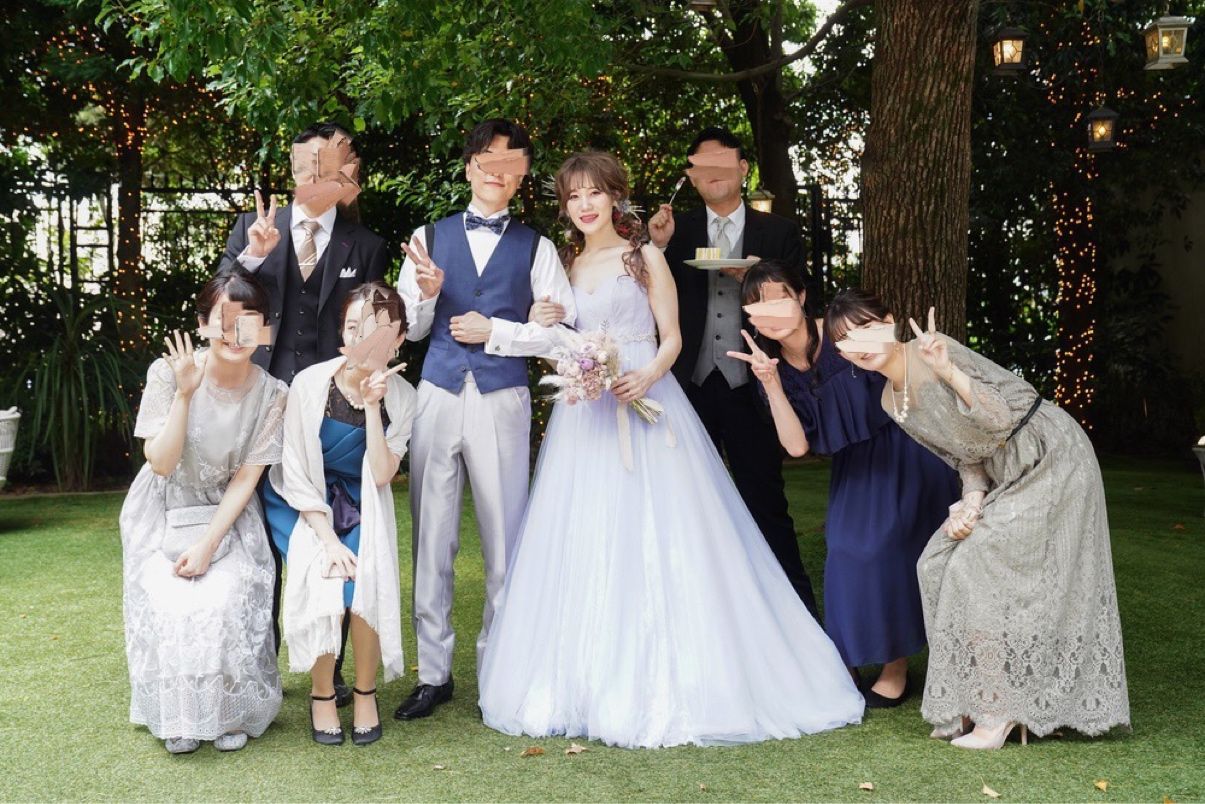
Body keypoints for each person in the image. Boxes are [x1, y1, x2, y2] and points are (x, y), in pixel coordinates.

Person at [477, 151, 863, 748]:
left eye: (594, 192)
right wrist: (555, 335)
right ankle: (584, 679)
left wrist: (648, 375)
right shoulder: (566, 264)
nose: (584, 205)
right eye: (574, 196)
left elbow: (673, 337)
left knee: (667, 531)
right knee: (587, 531)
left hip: (648, 399)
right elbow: (559, 340)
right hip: (587, 414)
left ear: (615, 196)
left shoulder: (644, 256)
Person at [824, 288, 1130, 749]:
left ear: (889, 321)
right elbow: (962, 456)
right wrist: (971, 501)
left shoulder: (933, 350)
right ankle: (972, 697)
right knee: (936, 563)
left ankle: (998, 710)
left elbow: (1000, 418)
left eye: (866, 328)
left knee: (975, 565)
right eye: (845, 340)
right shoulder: (889, 400)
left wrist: (948, 370)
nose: (859, 345)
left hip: (1049, 456)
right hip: (1002, 472)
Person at [393, 118, 576, 721]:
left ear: (521, 176)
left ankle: (500, 669)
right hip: (438, 392)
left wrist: (498, 331)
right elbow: (409, 331)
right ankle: (434, 674)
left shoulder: (537, 248)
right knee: (431, 535)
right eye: (488, 160)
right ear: (470, 165)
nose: (498, 172)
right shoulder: (427, 237)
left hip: (503, 398)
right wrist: (425, 294)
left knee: (505, 539)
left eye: (511, 163)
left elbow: (562, 336)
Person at [730, 263, 959, 706]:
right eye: (757, 305)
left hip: (906, 444)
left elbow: (901, 367)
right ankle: (848, 656)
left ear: (800, 297)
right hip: (856, 464)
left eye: (779, 298)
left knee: (886, 546)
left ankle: (895, 665)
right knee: (843, 551)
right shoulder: (769, 367)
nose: (770, 312)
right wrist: (771, 384)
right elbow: (796, 446)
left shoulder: (840, 331)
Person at [218, 121, 388, 704]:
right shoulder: (253, 226)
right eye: (307, 168)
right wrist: (252, 257)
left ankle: (329, 665)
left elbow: (369, 328)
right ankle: (259, 663)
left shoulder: (365, 245)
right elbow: (223, 304)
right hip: (260, 398)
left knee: (331, 527)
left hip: (330, 409)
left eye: (331, 169)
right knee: (259, 537)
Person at [648, 126, 818, 617]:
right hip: (689, 387)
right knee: (685, 506)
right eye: (702, 167)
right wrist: (657, 247)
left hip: (754, 387)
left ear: (743, 169)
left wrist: (759, 278)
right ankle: (696, 617)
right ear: (691, 176)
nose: (714, 173)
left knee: (766, 506)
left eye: (723, 163)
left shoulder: (779, 233)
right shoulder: (674, 230)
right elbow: (643, 299)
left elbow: (802, 303)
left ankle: (797, 619)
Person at [119, 270, 286, 754]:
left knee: (222, 598)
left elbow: (246, 480)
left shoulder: (274, 393)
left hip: (227, 515)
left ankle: (226, 711)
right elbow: (161, 462)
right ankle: (182, 716)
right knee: (174, 603)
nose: (235, 334)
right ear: (203, 324)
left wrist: (208, 545)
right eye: (223, 321)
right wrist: (185, 394)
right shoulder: (168, 372)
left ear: (264, 328)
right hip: (164, 508)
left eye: (248, 321)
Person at [263, 282, 415, 746]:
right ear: (341, 333)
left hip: (362, 500)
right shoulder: (310, 384)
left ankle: (366, 692)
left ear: (398, 339)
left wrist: (372, 406)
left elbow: (383, 473)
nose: (362, 339)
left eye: (377, 331)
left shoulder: (404, 397)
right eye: (353, 328)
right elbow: (293, 470)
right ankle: (323, 694)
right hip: (303, 502)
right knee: (327, 575)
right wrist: (327, 541)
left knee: (366, 578)